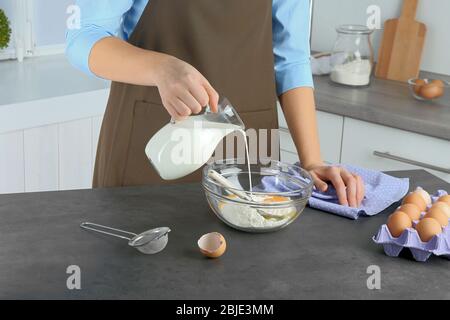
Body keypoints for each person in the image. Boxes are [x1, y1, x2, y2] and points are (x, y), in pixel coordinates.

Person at [66, 0, 365, 207]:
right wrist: (160, 68)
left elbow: (291, 58)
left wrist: (312, 161)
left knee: (243, 277)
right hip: (152, 140)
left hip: (247, 145)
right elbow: (82, 36)